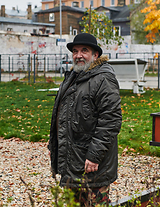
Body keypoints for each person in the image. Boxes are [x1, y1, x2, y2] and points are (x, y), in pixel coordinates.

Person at [48, 33, 122, 206]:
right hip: (73, 160)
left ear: (95, 55)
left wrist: (95, 155)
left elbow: (111, 120)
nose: (78, 55)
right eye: (75, 51)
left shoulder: (103, 78)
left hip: (92, 164)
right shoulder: (73, 77)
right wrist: (54, 145)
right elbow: (61, 116)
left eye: (84, 51)